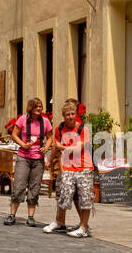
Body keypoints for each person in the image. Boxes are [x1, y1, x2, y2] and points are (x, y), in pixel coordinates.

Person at [44, 100, 94, 238]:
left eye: (72, 114)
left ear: (76, 114)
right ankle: (59, 221)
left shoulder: (83, 129)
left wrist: (62, 147)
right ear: (63, 115)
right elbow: (57, 147)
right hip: (68, 167)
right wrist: (53, 162)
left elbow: (79, 149)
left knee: (85, 198)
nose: (70, 117)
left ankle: (83, 228)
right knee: (63, 194)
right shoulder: (59, 129)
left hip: (84, 166)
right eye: (67, 114)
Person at [6, 97, 52, 226]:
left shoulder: (46, 122)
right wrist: (23, 144)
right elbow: (14, 135)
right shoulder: (22, 120)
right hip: (24, 157)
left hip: (38, 159)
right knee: (19, 185)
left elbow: (50, 138)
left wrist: (46, 148)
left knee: (35, 187)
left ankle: (30, 216)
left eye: (40, 107)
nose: (39, 109)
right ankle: (12, 214)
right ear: (30, 108)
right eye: (37, 106)